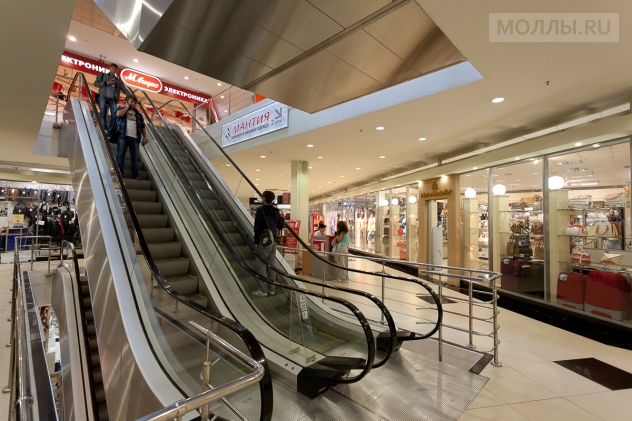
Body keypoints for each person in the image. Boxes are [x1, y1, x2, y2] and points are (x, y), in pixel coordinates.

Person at [252, 191, 285, 297]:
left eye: (262, 197)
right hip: (273, 240)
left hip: (264, 240)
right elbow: (280, 226)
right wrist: (282, 218)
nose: (262, 198)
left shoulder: (261, 210)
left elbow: (257, 227)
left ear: (265, 198)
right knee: (271, 264)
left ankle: (263, 289)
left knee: (261, 264)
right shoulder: (275, 211)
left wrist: (256, 241)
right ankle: (272, 289)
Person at [114, 96, 148, 180]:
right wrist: (127, 108)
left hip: (135, 138)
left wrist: (145, 137)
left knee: (135, 157)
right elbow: (118, 114)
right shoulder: (120, 109)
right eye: (131, 102)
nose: (133, 104)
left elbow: (142, 127)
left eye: (135, 102)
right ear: (127, 101)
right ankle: (119, 174)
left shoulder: (139, 115)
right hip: (123, 136)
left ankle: (135, 174)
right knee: (120, 155)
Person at [94, 63, 132, 135]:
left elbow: (124, 89)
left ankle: (110, 130)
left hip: (112, 98)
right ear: (109, 68)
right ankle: (104, 129)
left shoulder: (118, 81)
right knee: (102, 113)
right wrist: (105, 83)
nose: (114, 70)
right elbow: (95, 84)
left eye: (115, 69)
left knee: (114, 115)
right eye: (113, 68)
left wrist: (131, 96)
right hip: (102, 96)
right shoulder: (102, 76)